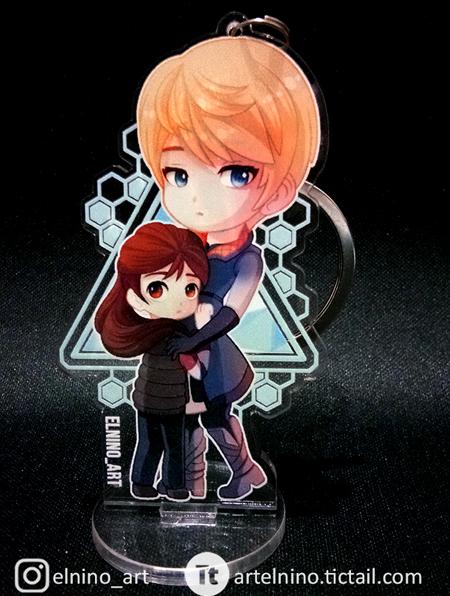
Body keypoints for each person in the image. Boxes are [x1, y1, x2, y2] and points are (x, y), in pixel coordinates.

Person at [136, 35, 321, 500]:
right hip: (175, 356)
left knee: (215, 417)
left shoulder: (247, 259)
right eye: (179, 174)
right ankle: (191, 488)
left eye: (238, 173)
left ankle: (246, 472)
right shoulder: (188, 245)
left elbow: (231, 313)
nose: (199, 197)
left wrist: (193, 341)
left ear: (280, 190)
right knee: (185, 422)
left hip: (212, 357)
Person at [94, 222, 209, 502]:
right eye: (156, 289)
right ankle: (162, 485)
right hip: (161, 401)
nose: (179, 301)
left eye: (190, 288)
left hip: (159, 400)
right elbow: (195, 370)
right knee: (164, 445)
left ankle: (153, 484)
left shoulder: (176, 334)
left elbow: (194, 368)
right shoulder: (169, 335)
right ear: (134, 296)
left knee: (160, 444)